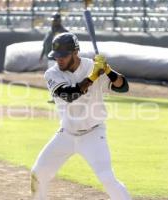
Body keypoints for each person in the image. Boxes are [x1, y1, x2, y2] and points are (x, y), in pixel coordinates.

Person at [31, 32, 131, 200]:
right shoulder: (52, 74)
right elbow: (68, 95)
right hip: (66, 135)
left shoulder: (93, 66)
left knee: (107, 178)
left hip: (93, 134)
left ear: (75, 53)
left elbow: (122, 87)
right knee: (38, 173)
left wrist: (107, 69)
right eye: (56, 56)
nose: (59, 59)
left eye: (63, 55)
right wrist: (93, 76)